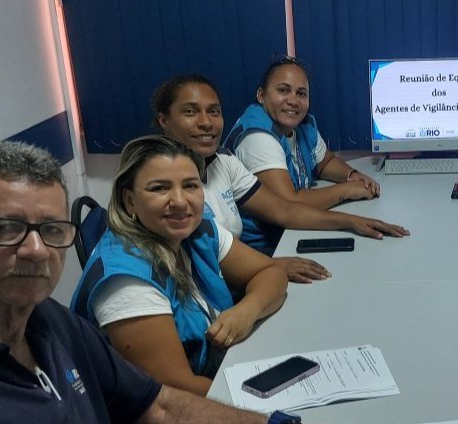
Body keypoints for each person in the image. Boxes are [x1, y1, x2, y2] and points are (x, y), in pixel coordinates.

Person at [0, 141, 295, 423]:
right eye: (3, 228)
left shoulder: (53, 325)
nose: (35, 250)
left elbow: (162, 406)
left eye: (51, 230)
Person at [71, 136, 289, 397]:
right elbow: (175, 393)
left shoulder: (195, 229)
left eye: (190, 185)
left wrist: (247, 310)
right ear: (129, 201)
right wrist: (270, 399)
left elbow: (271, 273)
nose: (180, 201)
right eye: (159, 188)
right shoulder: (125, 282)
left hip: (219, 372)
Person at [153, 74, 409, 283]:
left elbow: (283, 210)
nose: (205, 123)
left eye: (214, 112)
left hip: (241, 277)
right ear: (164, 120)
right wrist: (269, 267)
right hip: (215, 294)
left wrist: (352, 222)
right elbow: (197, 268)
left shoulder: (223, 161)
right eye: (190, 112)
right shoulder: (155, 186)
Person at [225, 57, 380, 252]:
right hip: (265, 250)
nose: (293, 100)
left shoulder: (303, 125)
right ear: (261, 95)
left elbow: (326, 162)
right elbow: (289, 203)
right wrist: (347, 191)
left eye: (301, 93)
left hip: (295, 231)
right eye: (283, 90)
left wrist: (351, 175)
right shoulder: (257, 136)